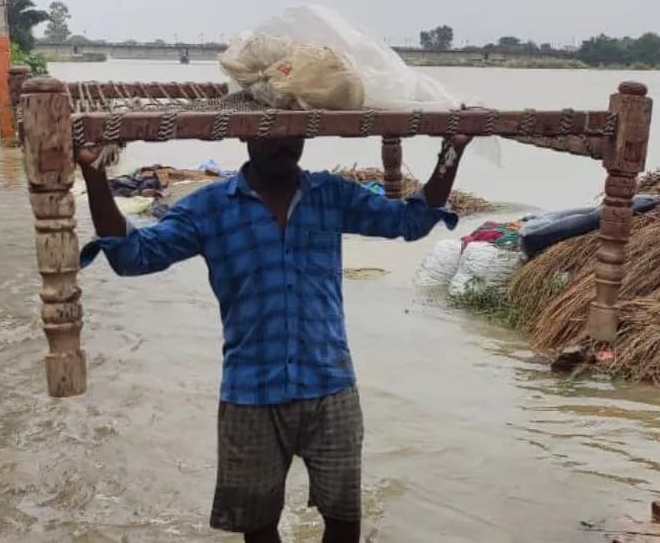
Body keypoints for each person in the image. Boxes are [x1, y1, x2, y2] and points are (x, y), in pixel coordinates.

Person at [78, 133, 472, 543]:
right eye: (270, 135)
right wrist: (93, 173)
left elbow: (410, 220)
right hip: (250, 392)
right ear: (247, 134)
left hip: (329, 387)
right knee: (258, 527)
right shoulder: (210, 207)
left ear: (305, 136)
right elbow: (132, 256)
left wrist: (452, 151)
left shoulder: (329, 195)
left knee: (343, 521)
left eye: (292, 137)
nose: (281, 146)